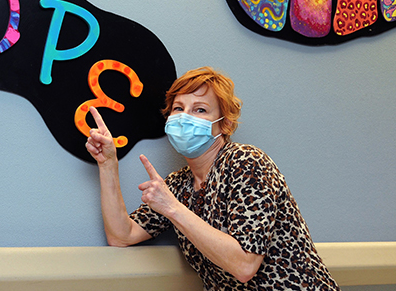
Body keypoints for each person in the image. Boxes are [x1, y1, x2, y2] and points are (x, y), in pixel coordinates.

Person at [86, 66, 339, 290]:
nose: (185, 117)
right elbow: (122, 235)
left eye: (200, 110)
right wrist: (108, 163)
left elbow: (244, 265)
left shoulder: (247, 163)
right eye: (178, 108)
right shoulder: (178, 185)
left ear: (224, 124)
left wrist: (172, 208)